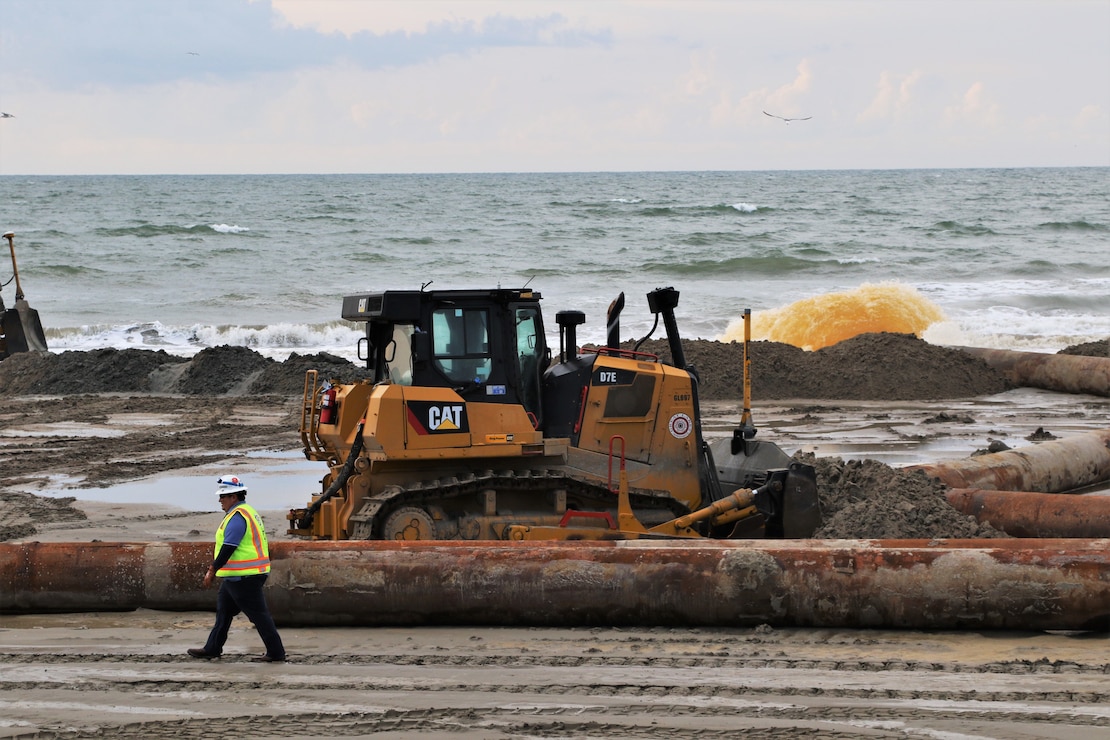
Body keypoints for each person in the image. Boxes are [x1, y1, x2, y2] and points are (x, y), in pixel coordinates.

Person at [187, 474, 286, 662]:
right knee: (223, 612)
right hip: (237, 576)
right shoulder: (245, 512)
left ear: (234, 497)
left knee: (259, 615)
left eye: (223, 496)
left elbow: (229, 547)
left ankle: (276, 653)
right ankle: (212, 648)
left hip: (245, 577)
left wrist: (212, 569)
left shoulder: (238, 517)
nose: (220, 500)